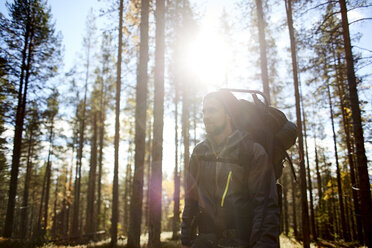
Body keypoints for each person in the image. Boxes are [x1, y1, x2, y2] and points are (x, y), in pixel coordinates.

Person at [181, 91, 279, 248]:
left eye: (212, 110)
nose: (206, 116)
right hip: (204, 242)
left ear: (228, 114)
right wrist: (186, 240)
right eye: (204, 111)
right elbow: (191, 200)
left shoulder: (252, 152)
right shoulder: (199, 153)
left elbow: (266, 207)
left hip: (241, 242)